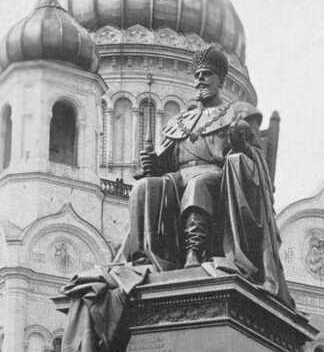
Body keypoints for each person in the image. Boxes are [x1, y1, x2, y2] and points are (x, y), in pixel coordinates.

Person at [118, 45, 294, 306]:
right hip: (177, 179)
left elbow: (255, 158)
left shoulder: (238, 113)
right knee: (144, 187)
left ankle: (194, 253)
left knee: (198, 184)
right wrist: (151, 164)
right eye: (197, 74)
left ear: (220, 80)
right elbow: (167, 161)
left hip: (215, 174)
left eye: (207, 74)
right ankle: (149, 256)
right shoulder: (181, 120)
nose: (200, 78)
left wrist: (241, 145)